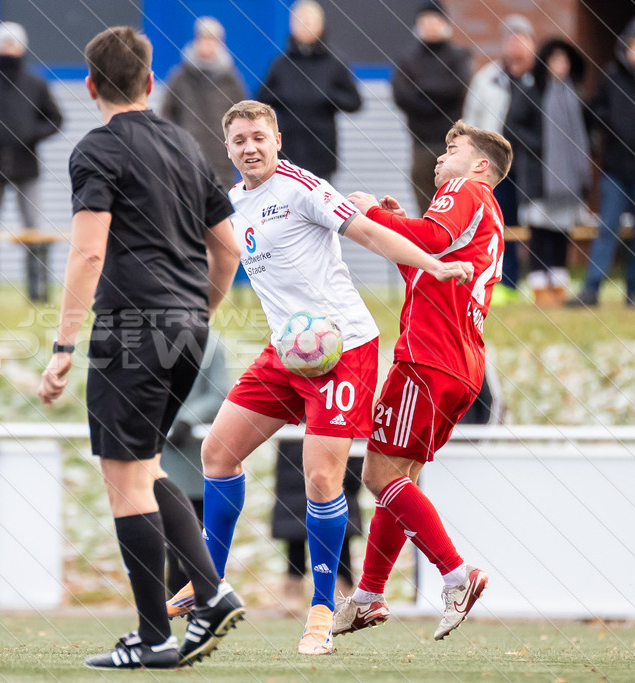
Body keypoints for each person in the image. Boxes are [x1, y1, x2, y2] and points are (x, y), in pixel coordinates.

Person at [165, 100, 473, 656]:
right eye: (238, 141)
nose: (249, 148)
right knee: (217, 451)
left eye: (258, 137)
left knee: (320, 479)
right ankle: (210, 580)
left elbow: (371, 236)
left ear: (277, 139)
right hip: (289, 349)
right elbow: (217, 264)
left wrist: (434, 265)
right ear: (228, 148)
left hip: (341, 347)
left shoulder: (302, 186)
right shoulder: (232, 204)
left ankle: (322, 613)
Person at [37, 26, 244, 670]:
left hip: (131, 331)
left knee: (124, 481)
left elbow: (89, 250)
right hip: (186, 328)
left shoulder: (97, 150)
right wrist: (197, 315)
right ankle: (211, 593)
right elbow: (229, 248)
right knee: (148, 470)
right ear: (151, 83)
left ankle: (157, 635)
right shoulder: (184, 142)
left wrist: (64, 344)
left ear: (90, 85)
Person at [336, 121, 512, 642]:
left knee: (377, 475)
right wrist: (395, 220)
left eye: (451, 149)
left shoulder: (464, 189)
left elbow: (431, 239)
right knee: (398, 479)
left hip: (429, 357)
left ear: (480, 165)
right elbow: (429, 263)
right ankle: (368, 596)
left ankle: (457, 576)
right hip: (461, 363)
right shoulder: (491, 215)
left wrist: (369, 212)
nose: (440, 159)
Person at [0, 22, 63, 304]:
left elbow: (55, 120)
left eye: (13, 44)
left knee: (33, 231)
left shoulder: (36, 84)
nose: (9, 49)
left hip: (27, 167)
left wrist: (31, 135)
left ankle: (38, 292)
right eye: (4, 44)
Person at [510, 39, 589, 308]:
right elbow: (513, 125)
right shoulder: (532, 90)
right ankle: (540, 287)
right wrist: (540, 145)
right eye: (555, 60)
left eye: (564, 61)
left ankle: (559, 285)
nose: (560, 66)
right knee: (540, 232)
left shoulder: (574, 94)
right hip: (539, 177)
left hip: (567, 181)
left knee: (561, 232)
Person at [463, 14, 536, 303]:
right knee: (497, 222)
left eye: (522, 38)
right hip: (497, 166)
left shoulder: (539, 80)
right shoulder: (487, 78)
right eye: (511, 37)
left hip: (532, 165)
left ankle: (541, 281)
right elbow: (471, 120)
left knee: (537, 223)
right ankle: (503, 281)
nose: (516, 44)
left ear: (532, 44)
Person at [569, 19, 635, 308]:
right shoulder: (612, 77)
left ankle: (633, 291)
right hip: (615, 170)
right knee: (607, 228)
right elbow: (592, 112)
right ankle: (591, 289)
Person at [257, 0, 361, 181]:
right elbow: (262, 98)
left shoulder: (334, 63)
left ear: (320, 25)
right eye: (300, 22)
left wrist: (327, 96)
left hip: (322, 154)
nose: (305, 27)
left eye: (309, 22)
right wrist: (285, 98)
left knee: (319, 204)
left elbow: (354, 102)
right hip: (287, 151)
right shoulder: (281, 64)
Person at [160, 331, 229, 596]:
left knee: (198, 531)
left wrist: (186, 420)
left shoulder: (210, 344)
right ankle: (172, 596)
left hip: (194, 456)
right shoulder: (147, 338)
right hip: (160, 454)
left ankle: (201, 595)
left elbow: (220, 392)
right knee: (164, 531)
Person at [392, 1, 472, 217]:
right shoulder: (408, 58)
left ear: (445, 24)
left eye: (434, 20)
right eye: (424, 21)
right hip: (420, 145)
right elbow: (401, 95)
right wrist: (436, 98)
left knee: (455, 205)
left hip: (453, 145)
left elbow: (456, 87)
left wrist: (422, 90)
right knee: (426, 208)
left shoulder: (459, 56)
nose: (429, 26)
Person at [271, 441, 362, 614]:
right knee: (296, 532)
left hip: (334, 457)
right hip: (295, 463)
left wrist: (354, 473)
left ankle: (341, 588)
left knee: (337, 532)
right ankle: (294, 588)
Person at [161, 17, 246, 187]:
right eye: (203, 38)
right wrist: (176, 147)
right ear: (196, 40)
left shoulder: (231, 81)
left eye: (212, 40)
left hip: (222, 166)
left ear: (220, 43)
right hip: (186, 163)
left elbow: (243, 120)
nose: (207, 44)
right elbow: (166, 116)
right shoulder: (180, 78)